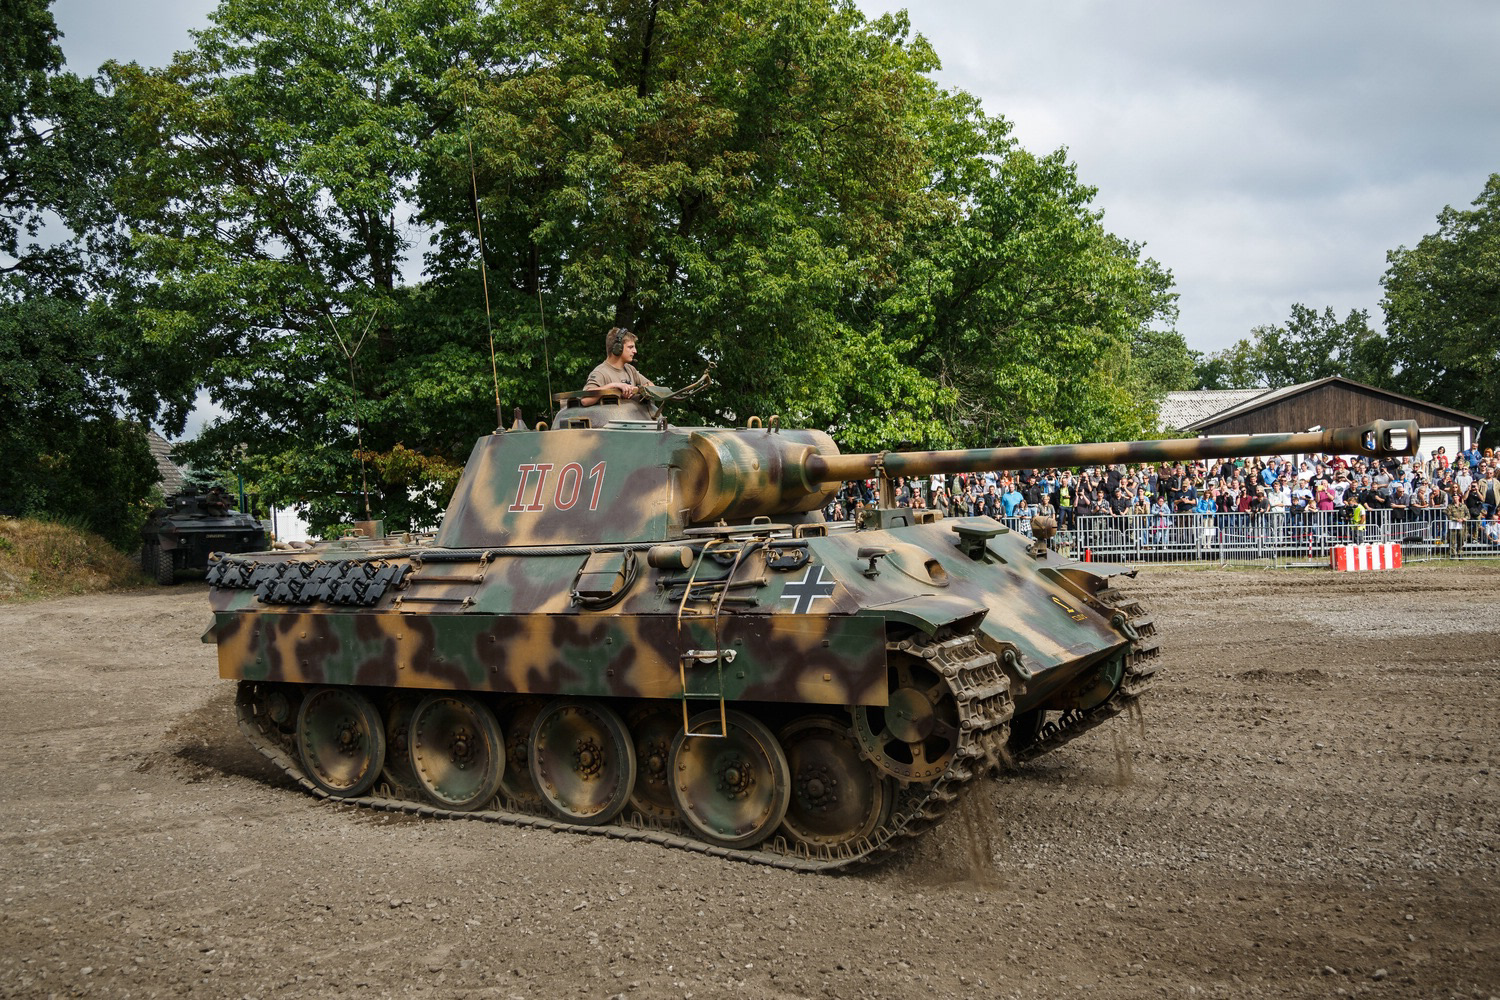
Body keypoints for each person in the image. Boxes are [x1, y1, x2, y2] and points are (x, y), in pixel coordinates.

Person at [583, 327, 655, 402]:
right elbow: (585, 400)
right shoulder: (600, 373)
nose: (635, 351)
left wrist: (635, 390)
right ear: (617, 348)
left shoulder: (630, 369)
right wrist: (613, 386)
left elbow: (651, 385)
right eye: (630, 347)